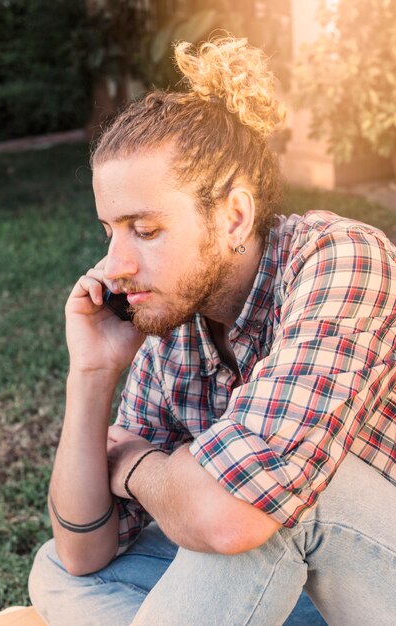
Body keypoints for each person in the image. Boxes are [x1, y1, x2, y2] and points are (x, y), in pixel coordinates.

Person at [28, 37, 396, 626]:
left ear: (233, 217)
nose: (115, 263)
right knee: (58, 568)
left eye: (144, 231)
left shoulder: (340, 257)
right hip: (293, 583)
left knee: (272, 506)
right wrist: (92, 373)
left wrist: (136, 466)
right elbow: (84, 548)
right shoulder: (175, 316)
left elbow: (235, 516)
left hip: (377, 575)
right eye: (110, 231)